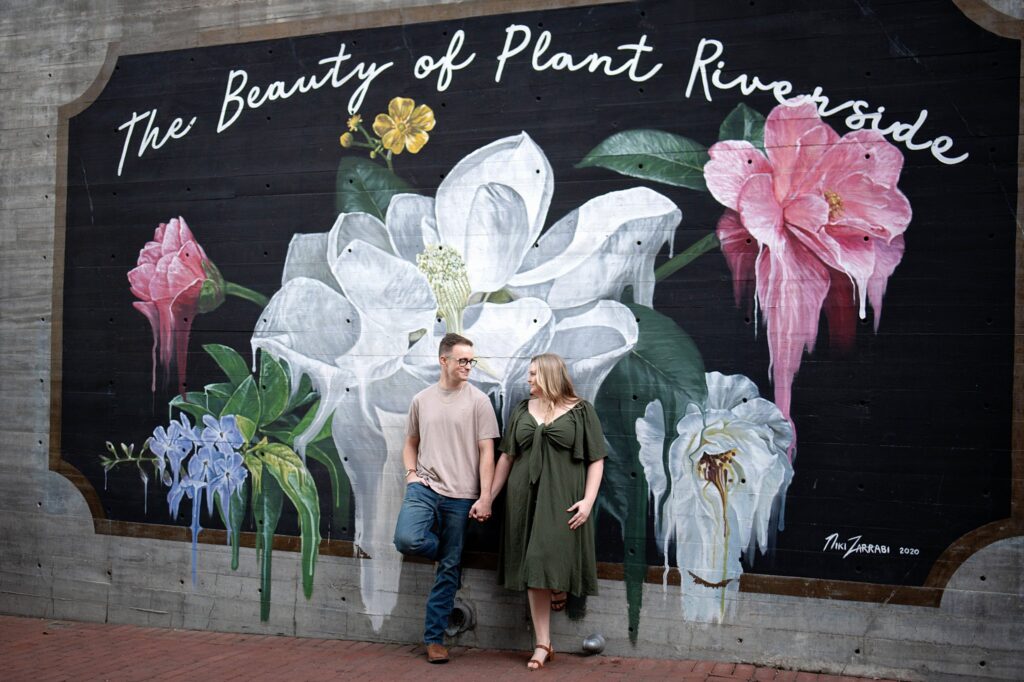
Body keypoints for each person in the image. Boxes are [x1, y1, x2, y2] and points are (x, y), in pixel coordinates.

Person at [489, 353, 607, 670]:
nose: (527, 379)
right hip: (522, 497)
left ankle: (557, 585)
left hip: (561, 499)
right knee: (533, 568)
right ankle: (543, 643)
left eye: (532, 374)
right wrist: (488, 497)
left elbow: (597, 458)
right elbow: (507, 458)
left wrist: (588, 500)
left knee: (544, 559)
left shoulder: (581, 412)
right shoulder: (521, 410)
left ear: (549, 376)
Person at [393, 332, 499, 664]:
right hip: (423, 487)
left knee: (448, 571)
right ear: (444, 361)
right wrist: (411, 474)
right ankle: (448, 555)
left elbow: (487, 454)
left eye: (472, 360)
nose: (469, 366)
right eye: (462, 360)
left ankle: (434, 640)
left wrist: (485, 498)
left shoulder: (479, 402)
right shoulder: (421, 399)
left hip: (461, 497)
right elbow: (411, 441)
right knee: (407, 540)